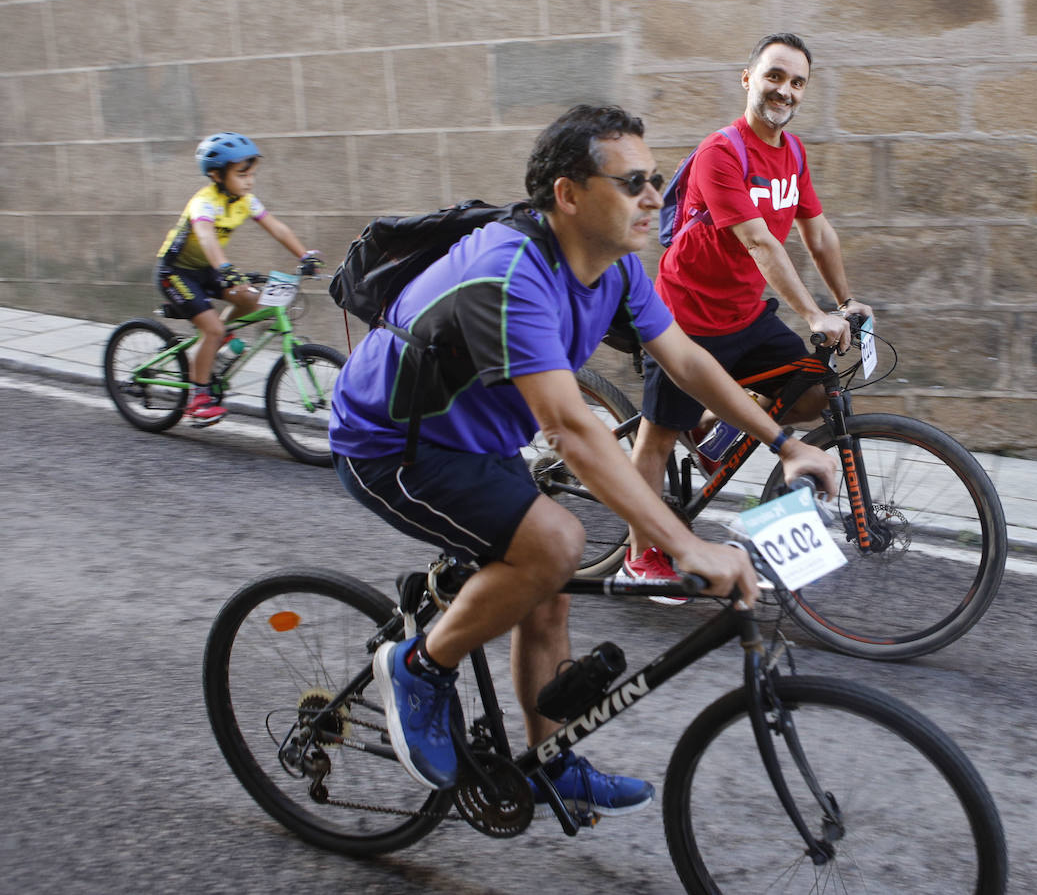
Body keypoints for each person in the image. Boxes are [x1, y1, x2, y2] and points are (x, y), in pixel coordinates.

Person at [328, 105, 837, 816]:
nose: (657, 196)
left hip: (476, 440)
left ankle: (546, 762)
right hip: (394, 445)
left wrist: (786, 443)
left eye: (657, 179)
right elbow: (569, 427)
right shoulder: (513, 275)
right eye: (633, 183)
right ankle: (418, 668)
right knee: (556, 543)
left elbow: (686, 359)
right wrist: (687, 546)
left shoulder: (617, 268)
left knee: (549, 580)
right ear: (568, 195)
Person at [622, 32, 875, 585]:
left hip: (743, 312)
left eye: (797, 82)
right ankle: (641, 555)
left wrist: (845, 299)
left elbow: (818, 233)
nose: (785, 90)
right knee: (660, 433)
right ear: (748, 79)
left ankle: (715, 425)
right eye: (775, 76)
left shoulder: (793, 154)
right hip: (684, 316)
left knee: (808, 391)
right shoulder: (723, 151)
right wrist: (813, 315)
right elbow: (761, 243)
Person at [156, 132, 321, 424]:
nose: (249, 181)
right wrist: (226, 269)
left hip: (207, 270)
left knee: (249, 298)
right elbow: (206, 238)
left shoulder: (245, 200)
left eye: (252, 174)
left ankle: (215, 340)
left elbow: (277, 229)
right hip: (176, 273)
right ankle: (199, 397)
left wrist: (304, 255)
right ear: (217, 175)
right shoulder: (204, 202)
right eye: (242, 174)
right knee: (213, 329)